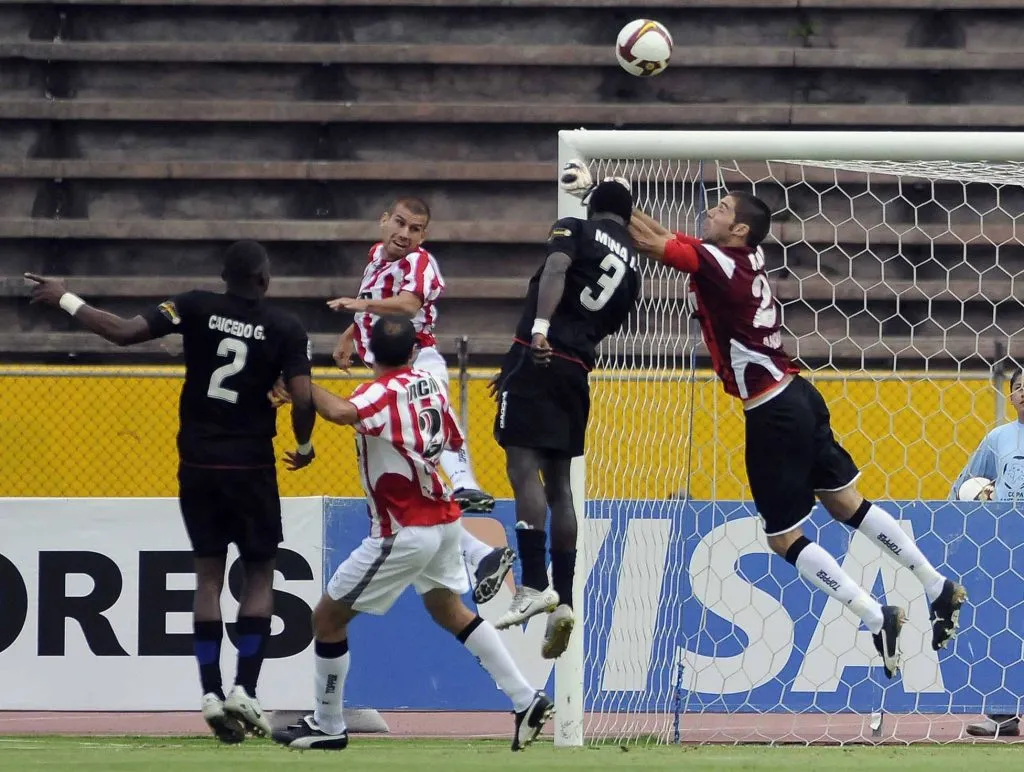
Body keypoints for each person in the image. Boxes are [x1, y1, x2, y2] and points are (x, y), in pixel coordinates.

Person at [557, 159, 968, 679]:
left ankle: (875, 616)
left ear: (739, 229)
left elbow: (649, 244)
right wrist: (615, 199)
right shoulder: (739, 257)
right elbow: (667, 238)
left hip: (772, 411)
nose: (711, 211)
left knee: (782, 538)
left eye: (721, 208)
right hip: (798, 394)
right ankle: (936, 585)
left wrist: (603, 200)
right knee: (846, 503)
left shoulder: (718, 263)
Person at [24, 240, 317, 744]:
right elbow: (305, 398)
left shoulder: (194, 305)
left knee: (207, 576)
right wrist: (305, 444)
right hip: (250, 465)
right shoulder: (286, 327)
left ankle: (210, 692)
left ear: (223, 277)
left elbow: (121, 332)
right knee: (259, 574)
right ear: (264, 279)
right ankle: (245, 688)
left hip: (197, 463)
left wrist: (65, 298)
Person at [268, 316, 553, 752]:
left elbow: (342, 412)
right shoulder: (431, 384)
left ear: (368, 353)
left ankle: (328, 725)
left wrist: (301, 384)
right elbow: (451, 439)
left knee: (326, 619)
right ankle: (525, 699)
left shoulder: (379, 393)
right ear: (414, 352)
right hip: (443, 521)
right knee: (448, 610)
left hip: (403, 528)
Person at [328, 196, 515, 605]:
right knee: (422, 486)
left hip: (418, 359)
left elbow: (408, 304)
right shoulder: (376, 256)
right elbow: (373, 298)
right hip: (389, 370)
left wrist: (360, 305)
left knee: (437, 423)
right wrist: (349, 333)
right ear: (384, 220)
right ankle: (481, 554)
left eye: (414, 229)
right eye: (399, 223)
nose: (404, 234)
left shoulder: (420, 262)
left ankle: (466, 485)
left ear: (424, 236)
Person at [490, 179, 642, 661]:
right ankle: (565, 601)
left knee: (522, 468)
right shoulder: (634, 270)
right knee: (560, 485)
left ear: (594, 207)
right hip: (577, 372)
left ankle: (535, 583)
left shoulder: (574, 228)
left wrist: (538, 333)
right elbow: (605, 323)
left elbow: (556, 269)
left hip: (540, 357)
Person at [951, 367, 1023, 737]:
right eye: (1019, 387)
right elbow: (965, 483)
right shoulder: (998, 438)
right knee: (1005, 624)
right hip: (1007, 545)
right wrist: (956, 515)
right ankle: (1002, 714)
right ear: (1010, 397)